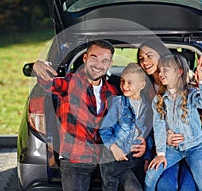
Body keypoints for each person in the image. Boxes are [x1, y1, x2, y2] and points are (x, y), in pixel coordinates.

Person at [33, 40, 146, 191]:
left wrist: (142, 140)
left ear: (110, 64)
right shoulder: (69, 83)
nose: (98, 65)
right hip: (76, 159)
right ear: (85, 58)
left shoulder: (114, 90)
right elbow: (48, 83)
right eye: (94, 58)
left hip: (108, 157)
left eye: (104, 60)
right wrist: (38, 65)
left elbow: (134, 114)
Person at [144, 54, 202, 191]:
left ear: (179, 72)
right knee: (150, 176)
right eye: (160, 70)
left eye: (166, 69)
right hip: (172, 150)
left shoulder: (191, 93)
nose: (160, 73)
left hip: (195, 148)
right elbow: (158, 126)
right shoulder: (159, 100)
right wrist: (160, 154)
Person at [137, 39, 198, 190]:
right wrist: (162, 140)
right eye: (141, 59)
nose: (145, 62)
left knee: (187, 188)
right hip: (163, 150)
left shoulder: (187, 81)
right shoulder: (144, 88)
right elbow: (146, 124)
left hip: (192, 147)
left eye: (149, 55)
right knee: (166, 186)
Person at [99, 63, 153, 191]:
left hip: (134, 160)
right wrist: (114, 148)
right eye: (122, 81)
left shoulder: (147, 107)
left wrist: (147, 157)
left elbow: (147, 135)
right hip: (113, 159)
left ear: (142, 85)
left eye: (130, 82)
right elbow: (105, 129)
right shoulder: (118, 103)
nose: (124, 86)